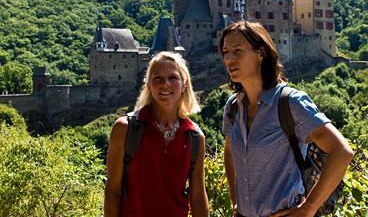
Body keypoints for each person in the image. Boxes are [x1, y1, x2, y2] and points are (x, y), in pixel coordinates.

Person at [220, 21, 354, 217]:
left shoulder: (289, 102)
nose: (229, 59)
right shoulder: (233, 107)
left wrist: (309, 208)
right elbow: (230, 152)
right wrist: (236, 201)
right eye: (225, 52)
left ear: (260, 53)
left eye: (238, 51)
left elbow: (342, 151)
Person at [104, 51, 209, 217]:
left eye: (172, 78)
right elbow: (112, 191)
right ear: (148, 86)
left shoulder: (194, 137)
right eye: (157, 79)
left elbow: (197, 197)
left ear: (184, 84)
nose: (165, 84)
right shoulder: (125, 129)